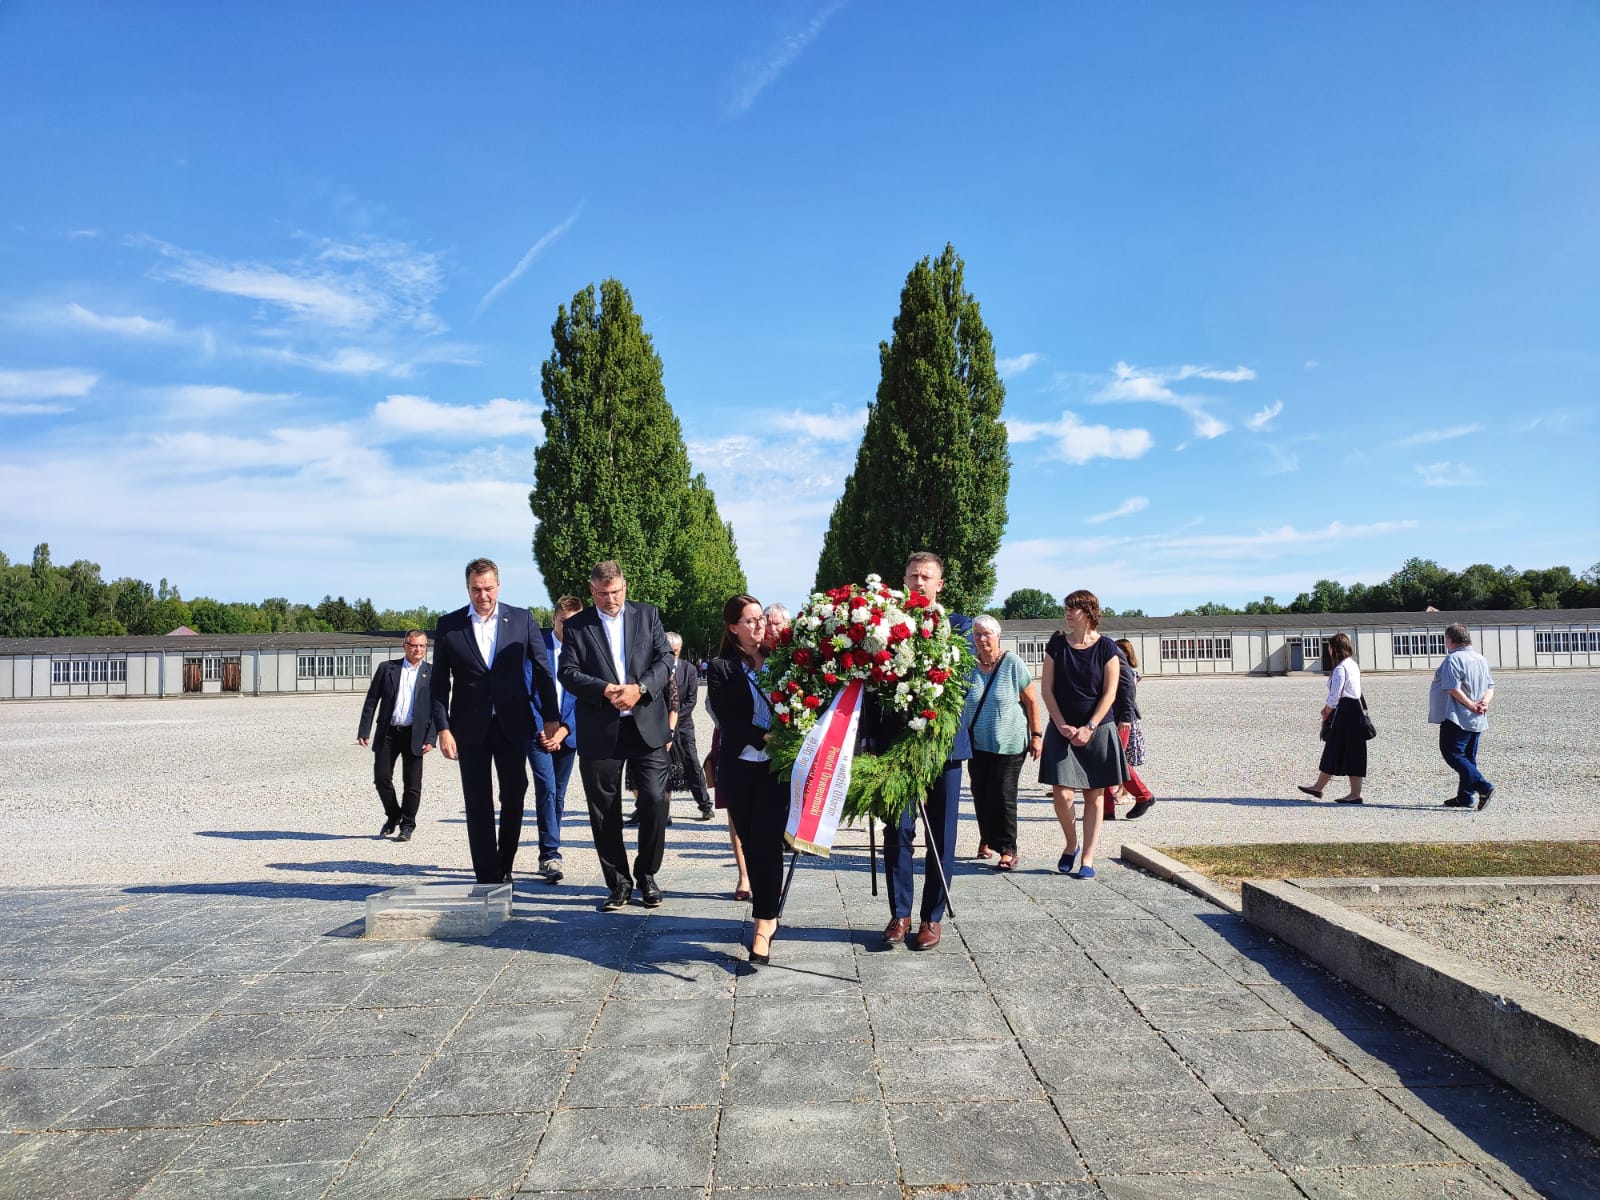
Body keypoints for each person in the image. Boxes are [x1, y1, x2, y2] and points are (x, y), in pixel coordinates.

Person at [433, 559, 562, 884]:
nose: (483, 595)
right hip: (469, 727)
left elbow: (544, 670)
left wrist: (550, 716)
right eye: (476, 589)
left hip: (513, 724)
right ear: (468, 589)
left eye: (488, 588)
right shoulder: (449, 626)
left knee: (515, 792)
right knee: (477, 801)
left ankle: (504, 863)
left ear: (498, 586)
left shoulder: (521, 619)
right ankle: (488, 876)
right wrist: (443, 728)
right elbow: (438, 683)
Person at [872, 552, 975, 950]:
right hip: (897, 750)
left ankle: (931, 918)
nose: (919, 582)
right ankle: (900, 913)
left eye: (926, 576)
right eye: (913, 575)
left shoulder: (959, 627)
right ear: (903, 580)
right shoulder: (887, 626)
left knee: (942, 837)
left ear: (939, 584)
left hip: (944, 750)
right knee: (898, 830)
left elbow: (959, 680)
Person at [558, 560, 675, 911]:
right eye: (603, 594)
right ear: (592, 592)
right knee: (604, 810)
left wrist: (640, 689)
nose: (611, 600)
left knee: (655, 799)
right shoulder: (577, 626)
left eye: (616, 592)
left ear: (626, 587)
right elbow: (567, 671)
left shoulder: (647, 615)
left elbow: (665, 658)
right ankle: (619, 883)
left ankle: (647, 875)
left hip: (645, 724)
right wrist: (604, 689)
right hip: (600, 727)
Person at [706, 594, 787, 963]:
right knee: (751, 843)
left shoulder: (781, 661)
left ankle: (764, 923)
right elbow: (729, 720)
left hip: (775, 768)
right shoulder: (722, 667)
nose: (759, 626)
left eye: (761, 619)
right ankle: (767, 908)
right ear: (733, 627)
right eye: (750, 621)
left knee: (768, 843)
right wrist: (764, 736)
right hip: (740, 765)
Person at [1039, 590, 1127, 879]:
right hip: (1062, 728)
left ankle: (1088, 858)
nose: (1067, 613)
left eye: (1073, 609)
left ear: (1088, 612)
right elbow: (1046, 689)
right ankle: (1071, 843)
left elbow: (1110, 693)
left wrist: (1089, 727)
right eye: (1065, 608)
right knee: (1062, 795)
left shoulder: (1108, 649)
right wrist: (1061, 723)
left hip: (1097, 729)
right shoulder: (1056, 646)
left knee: (1094, 795)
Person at [964, 615, 1042, 871]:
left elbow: (1031, 701)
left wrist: (1036, 735)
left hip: (1009, 742)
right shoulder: (969, 666)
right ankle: (986, 838)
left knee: (1003, 794)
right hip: (977, 742)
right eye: (977, 634)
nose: (982, 639)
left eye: (987, 634)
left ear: (998, 636)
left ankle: (1008, 849)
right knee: (981, 793)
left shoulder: (1012, 664)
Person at [356, 630, 441, 842]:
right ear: (405, 646)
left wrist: (432, 738)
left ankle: (408, 824)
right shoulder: (387, 669)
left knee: (412, 784)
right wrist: (364, 730)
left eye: (422, 646)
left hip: (416, 734)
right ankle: (393, 815)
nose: (418, 650)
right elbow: (371, 701)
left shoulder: (432, 673)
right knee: (381, 778)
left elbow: (438, 708)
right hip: (389, 732)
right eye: (413, 645)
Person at [526, 596, 582, 883]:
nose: (569, 628)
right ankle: (550, 854)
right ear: (554, 620)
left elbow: (587, 698)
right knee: (546, 789)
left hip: (568, 735)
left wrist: (565, 730)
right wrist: (542, 728)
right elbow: (526, 691)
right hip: (538, 735)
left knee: (558, 795)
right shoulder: (537, 648)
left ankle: (550, 848)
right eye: (564, 622)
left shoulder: (585, 653)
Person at [1296, 632, 1366, 805]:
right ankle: (1349, 792)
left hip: (1345, 712)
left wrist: (1326, 710)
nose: (1327, 649)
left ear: (1334, 648)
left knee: (1334, 748)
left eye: (1329, 646)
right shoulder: (1352, 665)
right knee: (1353, 751)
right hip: (1355, 710)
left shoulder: (1341, 668)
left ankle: (1320, 787)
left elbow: (1335, 694)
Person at [1430, 624, 1495, 809]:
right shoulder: (1480, 659)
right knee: (1468, 757)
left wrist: (1472, 705)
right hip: (1478, 717)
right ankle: (1465, 797)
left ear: (1450, 640)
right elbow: (1491, 686)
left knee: (1452, 753)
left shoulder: (1453, 659)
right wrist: (1485, 703)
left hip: (1457, 716)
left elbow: (1452, 688)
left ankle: (1483, 786)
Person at [1104, 638, 1156, 821]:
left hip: (1120, 718)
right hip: (1103, 717)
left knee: (1115, 760)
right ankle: (1106, 810)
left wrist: (1126, 717)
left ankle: (1144, 795)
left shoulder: (1109, 649)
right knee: (1104, 762)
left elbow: (1127, 685)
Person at [668, 632, 714, 820]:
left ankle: (704, 804)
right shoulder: (656, 668)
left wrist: (674, 719)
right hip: (660, 728)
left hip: (684, 727)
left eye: (675, 651)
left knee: (692, 765)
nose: (672, 655)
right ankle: (663, 811)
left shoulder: (688, 670)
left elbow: (691, 700)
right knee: (662, 768)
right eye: (668, 651)